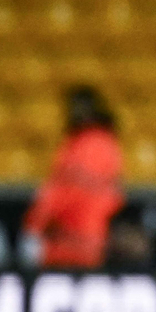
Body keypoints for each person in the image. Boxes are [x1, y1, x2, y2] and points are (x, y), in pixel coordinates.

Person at [22, 86, 125, 269]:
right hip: (91, 240)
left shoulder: (79, 147)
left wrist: (35, 227)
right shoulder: (108, 145)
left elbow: (58, 193)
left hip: (67, 240)